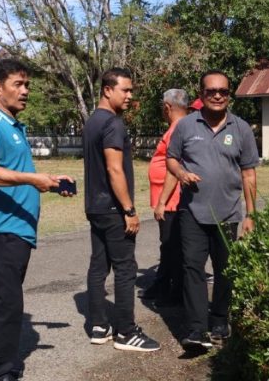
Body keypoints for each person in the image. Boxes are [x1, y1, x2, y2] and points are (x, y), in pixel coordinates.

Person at [0, 58, 74, 381]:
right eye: (18, 84)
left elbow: (16, 173)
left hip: (15, 228)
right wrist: (31, 179)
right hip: (1, 228)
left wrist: (49, 181)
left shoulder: (12, 125)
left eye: (27, 84)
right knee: (6, 301)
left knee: (3, 299)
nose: (25, 91)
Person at [167, 70, 258, 350]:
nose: (217, 96)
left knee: (225, 270)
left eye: (223, 91)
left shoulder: (241, 128)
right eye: (211, 91)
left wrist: (251, 214)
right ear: (201, 94)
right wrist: (181, 174)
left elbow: (248, 173)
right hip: (192, 212)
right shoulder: (186, 126)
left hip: (227, 214)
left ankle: (219, 319)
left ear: (229, 95)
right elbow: (171, 159)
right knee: (192, 269)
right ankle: (196, 329)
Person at [83, 67, 160, 352]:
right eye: (125, 90)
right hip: (113, 209)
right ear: (107, 90)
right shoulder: (112, 123)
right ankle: (126, 332)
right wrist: (129, 210)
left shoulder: (92, 121)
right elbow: (114, 170)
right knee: (126, 268)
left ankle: (99, 325)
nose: (129, 96)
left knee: (99, 265)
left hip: (95, 207)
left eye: (131, 90)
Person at [141, 89, 189, 306]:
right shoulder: (179, 127)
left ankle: (172, 292)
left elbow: (174, 166)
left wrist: (162, 202)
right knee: (170, 245)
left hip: (171, 199)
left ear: (167, 107)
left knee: (171, 245)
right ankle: (163, 286)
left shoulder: (177, 129)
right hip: (169, 198)